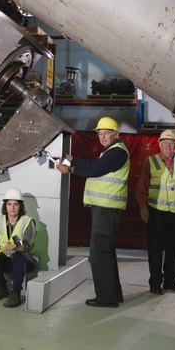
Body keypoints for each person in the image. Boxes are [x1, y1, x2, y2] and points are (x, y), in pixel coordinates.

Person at [57, 116, 129, 308]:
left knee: (99, 254)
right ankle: (114, 294)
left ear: (115, 134)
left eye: (107, 133)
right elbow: (94, 165)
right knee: (106, 252)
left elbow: (95, 169)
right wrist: (76, 160)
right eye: (100, 133)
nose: (102, 136)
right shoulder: (111, 152)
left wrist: (70, 168)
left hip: (107, 209)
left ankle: (106, 297)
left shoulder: (116, 152)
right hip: (105, 209)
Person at [135, 114, 175, 295]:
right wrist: (143, 207)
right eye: (164, 143)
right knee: (155, 248)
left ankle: (170, 281)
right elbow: (141, 187)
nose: (168, 146)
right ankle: (155, 283)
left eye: (171, 143)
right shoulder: (150, 161)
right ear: (159, 145)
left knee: (173, 249)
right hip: (157, 212)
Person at [0, 187, 38, 308]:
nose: (12, 207)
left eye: (16, 204)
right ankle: (2, 288)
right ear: (5, 206)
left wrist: (15, 248)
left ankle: (16, 293)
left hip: (27, 261)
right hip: (8, 259)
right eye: (9, 204)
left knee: (20, 256)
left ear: (21, 206)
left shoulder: (28, 221)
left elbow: (26, 245)